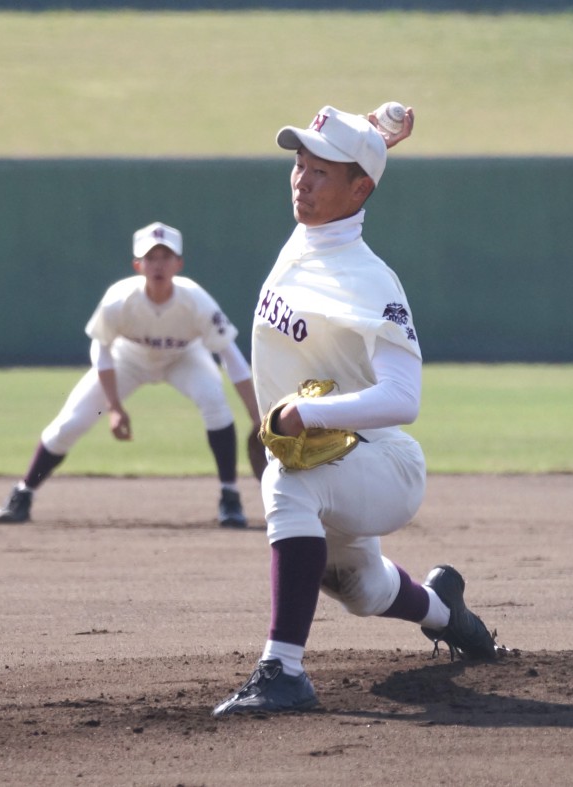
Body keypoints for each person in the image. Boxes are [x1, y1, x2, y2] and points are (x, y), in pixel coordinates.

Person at [212, 105, 498, 717]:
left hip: (386, 464)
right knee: (360, 587)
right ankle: (451, 613)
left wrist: (304, 417)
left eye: (321, 171)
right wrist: (372, 130)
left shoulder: (370, 282)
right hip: (334, 461)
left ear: (360, 188)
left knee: (288, 481)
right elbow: (344, 163)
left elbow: (405, 399)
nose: (302, 180)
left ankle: (283, 671)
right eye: (300, 163)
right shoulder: (307, 237)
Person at [0, 221, 261, 529]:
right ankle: (23, 493)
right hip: (127, 360)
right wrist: (115, 408)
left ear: (178, 264)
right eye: (151, 257)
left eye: (166, 256)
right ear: (138, 265)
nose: (158, 264)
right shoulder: (119, 299)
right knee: (70, 424)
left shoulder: (197, 301)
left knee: (215, 402)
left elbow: (232, 358)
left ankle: (230, 497)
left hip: (184, 357)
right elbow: (101, 351)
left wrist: (256, 417)